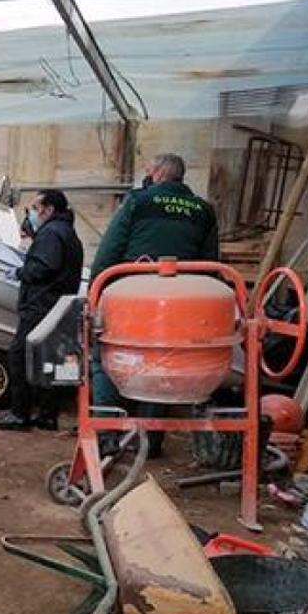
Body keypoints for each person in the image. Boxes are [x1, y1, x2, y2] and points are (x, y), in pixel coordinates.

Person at [89, 153, 219, 456]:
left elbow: (109, 251)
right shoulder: (204, 210)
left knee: (105, 360)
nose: (146, 176)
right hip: (180, 304)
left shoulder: (138, 202)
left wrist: (96, 290)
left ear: (159, 173)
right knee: (162, 365)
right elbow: (211, 264)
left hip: (132, 297)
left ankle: (107, 435)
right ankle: (150, 441)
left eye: (148, 170)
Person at [0, 189, 84, 431]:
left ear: (49, 209)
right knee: (49, 359)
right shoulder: (67, 232)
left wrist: (20, 272)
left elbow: (44, 267)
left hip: (41, 304)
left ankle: (19, 413)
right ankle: (47, 415)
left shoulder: (51, 233)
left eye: (35, 207)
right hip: (57, 305)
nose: (32, 212)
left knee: (19, 354)